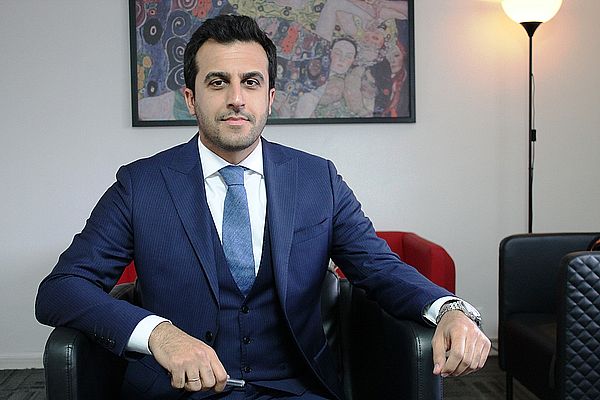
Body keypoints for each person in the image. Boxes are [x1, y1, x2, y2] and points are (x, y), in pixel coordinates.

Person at [35, 14, 490, 400]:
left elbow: (379, 268)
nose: (236, 98)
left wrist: (449, 309)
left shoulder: (318, 180)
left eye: (251, 82)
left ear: (270, 97)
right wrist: (159, 334)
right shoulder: (141, 185)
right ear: (191, 98)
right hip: (178, 393)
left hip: (297, 390)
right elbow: (61, 289)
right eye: (218, 82)